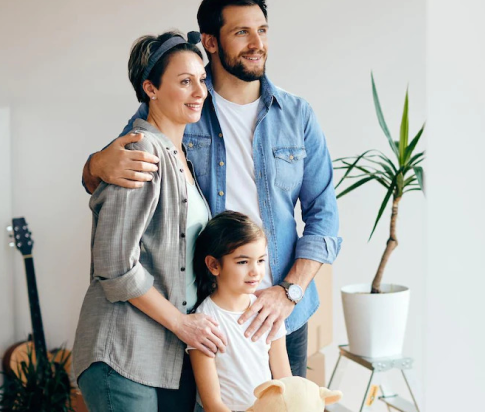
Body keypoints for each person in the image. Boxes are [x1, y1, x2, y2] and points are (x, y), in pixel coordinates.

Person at [82, 0, 342, 377]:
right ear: (210, 42)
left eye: (262, 30)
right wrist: (95, 163)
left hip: (283, 315)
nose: (257, 43)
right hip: (208, 319)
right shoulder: (182, 104)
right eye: (241, 32)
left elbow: (325, 216)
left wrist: (289, 292)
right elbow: (117, 167)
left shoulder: (297, 115)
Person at [72, 31, 228, 412]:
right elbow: (114, 263)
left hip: (167, 355)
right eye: (184, 81)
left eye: (201, 80)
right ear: (151, 89)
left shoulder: (180, 157)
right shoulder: (141, 150)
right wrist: (181, 323)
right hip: (123, 352)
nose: (199, 92)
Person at [189, 211, 292, 412]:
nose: (255, 271)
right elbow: (212, 404)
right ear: (214, 265)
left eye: (260, 260)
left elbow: (285, 382)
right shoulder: (203, 323)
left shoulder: (269, 314)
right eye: (243, 262)